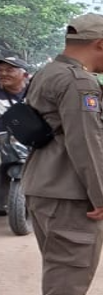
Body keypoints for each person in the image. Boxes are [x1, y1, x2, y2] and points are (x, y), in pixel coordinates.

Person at [21, 14, 103, 295]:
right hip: (67, 187)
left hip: (47, 181)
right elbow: (86, 142)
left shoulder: (49, 71)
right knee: (72, 258)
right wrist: (102, 196)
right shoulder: (77, 82)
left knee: (64, 255)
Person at [0, 55, 30, 216]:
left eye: (10, 70)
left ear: (24, 74)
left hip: (34, 140)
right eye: (1, 70)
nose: (3, 73)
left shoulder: (36, 91)